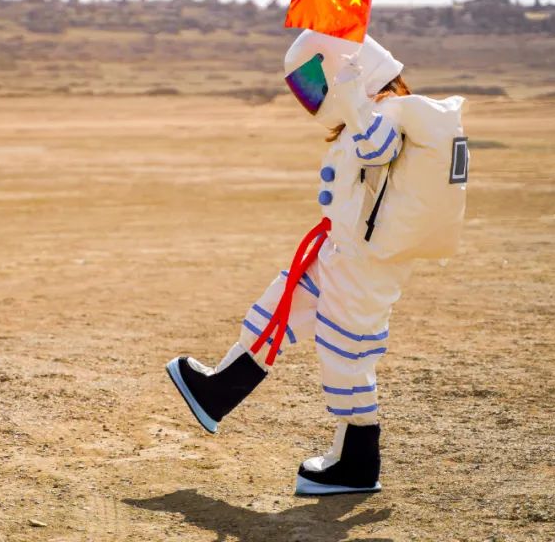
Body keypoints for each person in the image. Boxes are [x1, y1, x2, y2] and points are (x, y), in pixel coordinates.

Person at [166, 29, 425, 496]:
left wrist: (349, 95)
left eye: (313, 83)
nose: (312, 97)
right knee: (275, 309)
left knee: (347, 353)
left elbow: (380, 150)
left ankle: (357, 461)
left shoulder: (389, 113)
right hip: (337, 254)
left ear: (350, 70)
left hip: (363, 265)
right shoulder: (364, 114)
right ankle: (219, 390)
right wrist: (349, 101)